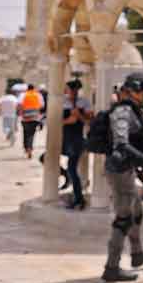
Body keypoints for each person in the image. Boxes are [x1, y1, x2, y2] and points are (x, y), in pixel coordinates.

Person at [102, 71, 143, 281]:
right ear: (136, 92)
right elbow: (121, 144)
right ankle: (111, 268)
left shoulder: (134, 111)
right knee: (124, 219)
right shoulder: (123, 113)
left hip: (127, 169)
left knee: (137, 211)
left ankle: (137, 253)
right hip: (119, 172)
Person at [62, 79, 92, 210]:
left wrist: (79, 116)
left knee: (72, 168)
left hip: (77, 139)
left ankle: (78, 198)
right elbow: (55, 120)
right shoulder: (63, 102)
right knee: (45, 157)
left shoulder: (83, 102)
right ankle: (66, 178)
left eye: (74, 90)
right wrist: (68, 120)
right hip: (64, 139)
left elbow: (89, 121)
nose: (72, 93)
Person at [19, 84, 44, 159]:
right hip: (35, 117)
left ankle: (26, 147)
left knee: (25, 132)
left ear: (27, 88)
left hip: (25, 117)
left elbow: (19, 104)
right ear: (34, 88)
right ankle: (30, 148)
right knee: (31, 134)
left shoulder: (23, 95)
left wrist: (21, 113)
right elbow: (42, 105)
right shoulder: (38, 95)